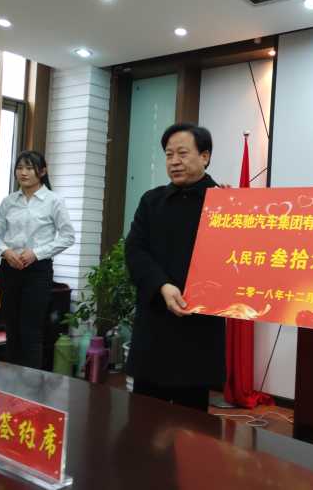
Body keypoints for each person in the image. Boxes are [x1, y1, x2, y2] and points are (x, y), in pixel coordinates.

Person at [125, 122, 225, 412]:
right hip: (155, 320)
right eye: (169, 155)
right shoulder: (151, 200)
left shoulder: (224, 203)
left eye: (182, 153)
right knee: (143, 416)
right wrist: (161, 285)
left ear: (205, 156)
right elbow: (135, 250)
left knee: (190, 425)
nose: (174, 161)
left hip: (197, 327)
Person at [0, 150, 75, 369]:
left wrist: (36, 253)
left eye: (29, 168)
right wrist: (6, 252)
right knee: (11, 329)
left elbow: (68, 236)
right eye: (20, 168)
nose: (23, 173)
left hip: (38, 271)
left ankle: (30, 385)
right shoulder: (9, 201)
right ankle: (11, 383)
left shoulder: (54, 201)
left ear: (42, 171)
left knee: (31, 331)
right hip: (9, 269)